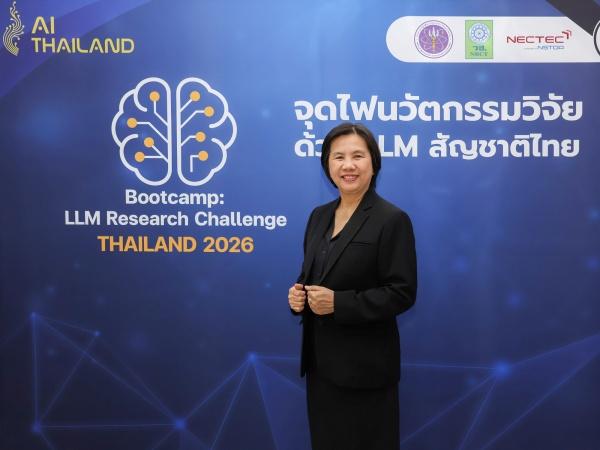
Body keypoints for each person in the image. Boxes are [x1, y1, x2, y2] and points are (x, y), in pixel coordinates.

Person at [288, 123, 417, 450]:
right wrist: (298, 296)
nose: (348, 165)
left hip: (366, 372)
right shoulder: (318, 216)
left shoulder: (391, 219)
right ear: (327, 165)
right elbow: (313, 275)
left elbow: (401, 292)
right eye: (338, 157)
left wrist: (339, 303)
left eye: (358, 156)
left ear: (374, 163)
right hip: (321, 369)